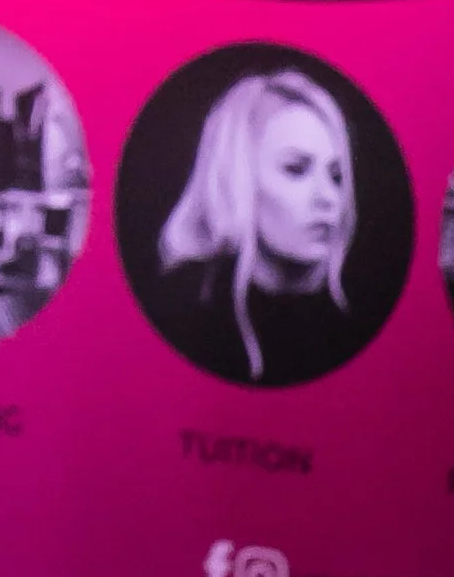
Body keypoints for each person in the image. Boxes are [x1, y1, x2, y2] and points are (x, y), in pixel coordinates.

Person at [149, 67, 355, 386]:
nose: (328, 198)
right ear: (236, 179)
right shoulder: (179, 306)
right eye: (296, 169)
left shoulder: (344, 323)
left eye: (336, 176)